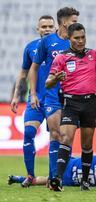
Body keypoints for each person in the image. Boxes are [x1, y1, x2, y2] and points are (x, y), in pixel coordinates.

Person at [45, 23, 96, 192]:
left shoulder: (94, 55)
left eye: (83, 37)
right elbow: (48, 83)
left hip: (90, 103)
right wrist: (56, 79)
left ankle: (85, 181)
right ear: (69, 38)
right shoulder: (61, 57)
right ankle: (58, 179)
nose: (81, 41)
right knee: (65, 138)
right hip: (70, 103)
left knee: (87, 145)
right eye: (77, 38)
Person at [28, 7, 80, 184]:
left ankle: (61, 175)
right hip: (52, 96)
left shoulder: (76, 42)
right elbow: (33, 68)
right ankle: (54, 177)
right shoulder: (48, 42)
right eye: (73, 21)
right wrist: (33, 93)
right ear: (64, 22)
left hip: (73, 96)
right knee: (56, 133)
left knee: (67, 135)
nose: (76, 24)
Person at [10, 15, 55, 187]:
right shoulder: (30, 47)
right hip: (35, 99)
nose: (47, 29)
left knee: (55, 137)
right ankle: (30, 176)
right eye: (43, 26)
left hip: (55, 100)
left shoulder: (60, 46)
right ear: (38, 29)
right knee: (28, 133)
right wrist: (16, 96)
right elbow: (23, 73)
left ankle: (53, 178)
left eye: (50, 26)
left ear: (55, 27)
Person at [8, 150, 96, 188]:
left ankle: (20, 179)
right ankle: (18, 179)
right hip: (69, 180)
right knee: (45, 180)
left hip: (66, 163)